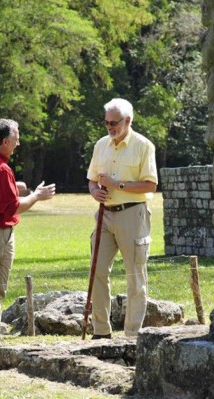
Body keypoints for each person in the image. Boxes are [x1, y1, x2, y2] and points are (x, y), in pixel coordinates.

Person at [0, 118, 55, 353]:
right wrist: (37, 195)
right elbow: (11, 208)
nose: (18, 142)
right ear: (5, 141)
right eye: (16, 138)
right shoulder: (1, 168)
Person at [87, 98, 158, 339]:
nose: (109, 127)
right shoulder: (101, 145)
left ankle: (132, 336)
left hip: (133, 214)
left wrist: (117, 184)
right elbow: (92, 178)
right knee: (96, 270)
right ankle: (101, 332)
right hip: (104, 215)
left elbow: (151, 184)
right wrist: (95, 190)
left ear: (128, 121)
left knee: (135, 275)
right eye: (106, 122)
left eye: (114, 123)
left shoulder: (143, 145)